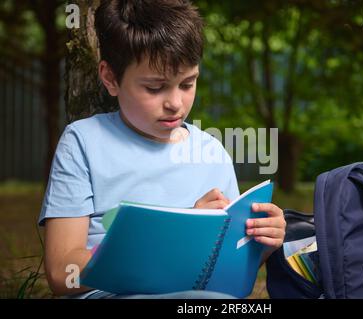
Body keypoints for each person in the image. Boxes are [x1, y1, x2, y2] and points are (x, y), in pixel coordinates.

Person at [38, 0, 286, 299]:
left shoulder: (210, 149)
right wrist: (179, 239)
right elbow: (62, 273)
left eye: (187, 83)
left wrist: (263, 244)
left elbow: (225, 270)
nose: (175, 104)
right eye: (155, 88)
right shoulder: (83, 141)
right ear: (110, 78)